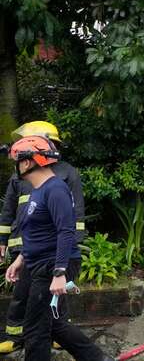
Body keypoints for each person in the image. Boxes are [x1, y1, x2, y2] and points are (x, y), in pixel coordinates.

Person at [4, 136, 109, 361]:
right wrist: (20, 259)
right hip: (38, 263)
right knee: (52, 324)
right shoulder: (38, 190)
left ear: (27, 163)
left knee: (34, 328)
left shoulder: (55, 189)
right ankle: (95, 358)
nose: (16, 166)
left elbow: (66, 231)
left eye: (16, 160)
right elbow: (40, 234)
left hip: (54, 264)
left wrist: (60, 273)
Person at [0, 122, 86, 354]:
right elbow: (9, 209)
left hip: (52, 252)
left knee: (49, 302)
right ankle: (15, 335)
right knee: (22, 295)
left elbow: (73, 218)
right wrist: (3, 240)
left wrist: (65, 254)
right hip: (26, 248)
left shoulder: (63, 176)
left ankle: (58, 335)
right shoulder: (22, 175)